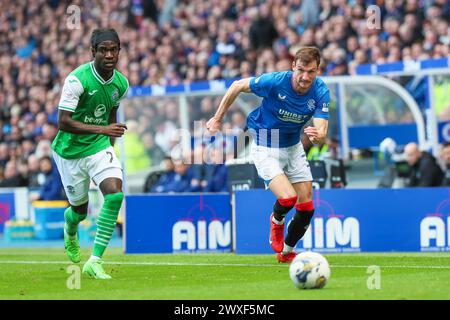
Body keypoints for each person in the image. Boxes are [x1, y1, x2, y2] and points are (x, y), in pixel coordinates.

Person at [207, 47, 329, 263]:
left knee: (307, 208)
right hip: (265, 145)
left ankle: (287, 252)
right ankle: (277, 219)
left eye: (311, 71)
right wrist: (217, 118)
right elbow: (237, 85)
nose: (305, 77)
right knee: (288, 198)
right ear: (293, 66)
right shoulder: (275, 81)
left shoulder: (320, 91)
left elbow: (321, 131)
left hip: (293, 147)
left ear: (317, 70)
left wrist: (318, 136)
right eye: (301, 70)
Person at [51, 28, 129, 279]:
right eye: (103, 50)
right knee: (79, 212)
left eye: (113, 49)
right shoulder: (77, 80)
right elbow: (63, 121)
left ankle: (94, 261)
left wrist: (110, 147)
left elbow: (111, 113)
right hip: (69, 151)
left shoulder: (121, 83)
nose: (109, 54)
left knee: (115, 195)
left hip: (98, 147)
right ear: (93, 52)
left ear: (119, 50)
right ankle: (70, 227)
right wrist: (103, 128)